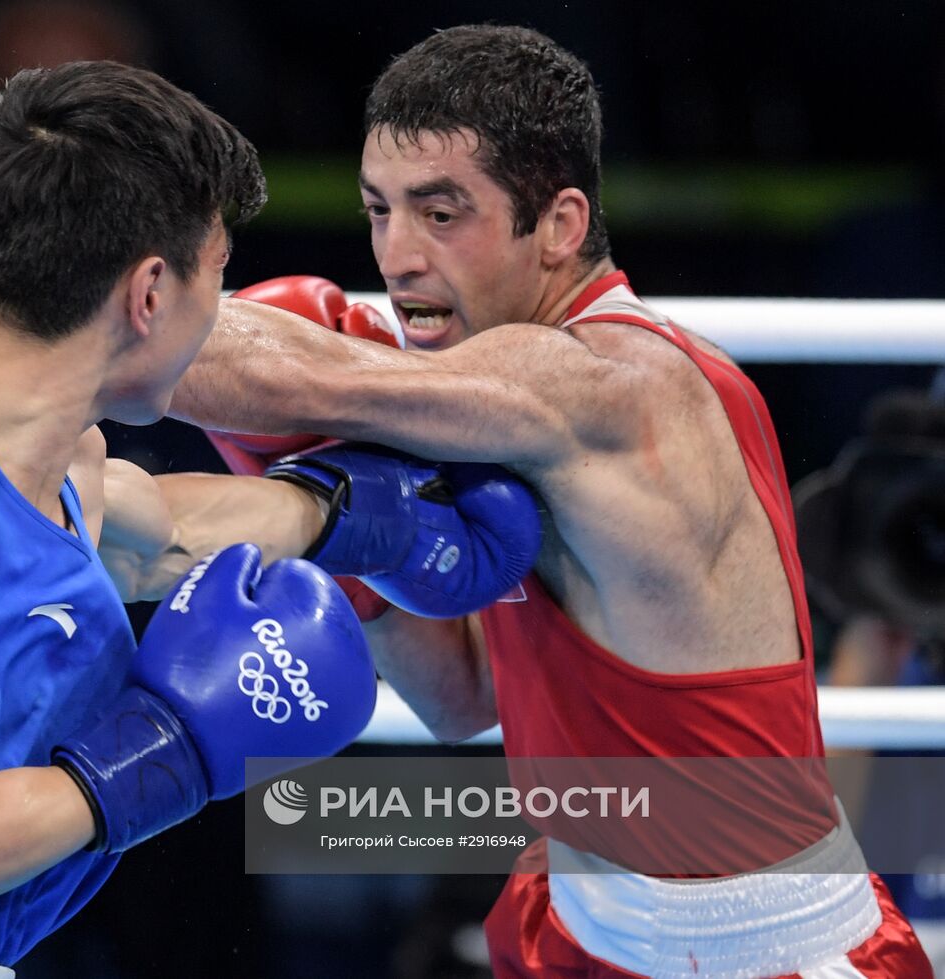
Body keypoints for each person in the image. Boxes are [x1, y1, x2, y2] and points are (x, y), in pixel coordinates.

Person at [160, 25, 933, 978]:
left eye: (441, 214)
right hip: (581, 920)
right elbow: (462, 698)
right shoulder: (505, 418)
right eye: (378, 211)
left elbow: (248, 369)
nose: (396, 257)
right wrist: (358, 538)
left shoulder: (614, 384)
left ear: (561, 224)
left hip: (759, 948)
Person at [0, 60, 543, 977]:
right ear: (150, 293)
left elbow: (160, 534)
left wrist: (357, 512)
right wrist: (170, 745)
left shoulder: (63, 467)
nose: (218, 324)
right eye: (217, 280)